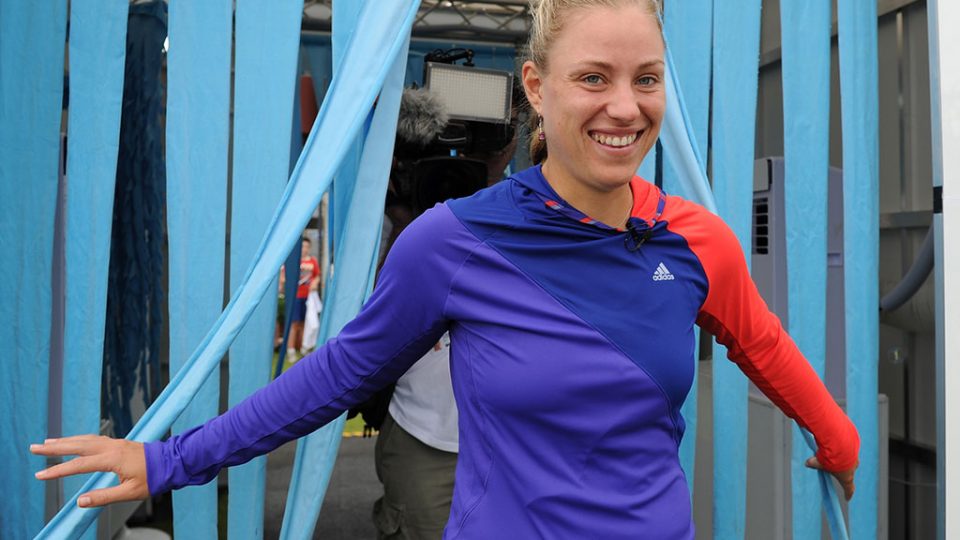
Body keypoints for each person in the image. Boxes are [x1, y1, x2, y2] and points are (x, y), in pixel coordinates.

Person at [31, 1, 859, 538]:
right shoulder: (453, 242)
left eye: (645, 80)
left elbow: (768, 348)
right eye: (593, 79)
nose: (625, 106)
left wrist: (839, 435)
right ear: (536, 87)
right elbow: (334, 377)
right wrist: (169, 461)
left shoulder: (697, 240)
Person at [287, 237, 320, 359]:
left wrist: (315, 283)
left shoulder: (313, 261)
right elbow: (285, 277)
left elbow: (317, 276)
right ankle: (290, 350)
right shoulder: (294, 261)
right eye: (303, 246)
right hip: (296, 296)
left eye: (307, 246)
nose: (304, 249)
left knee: (305, 324)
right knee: (294, 324)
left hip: (309, 298)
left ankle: (303, 348)